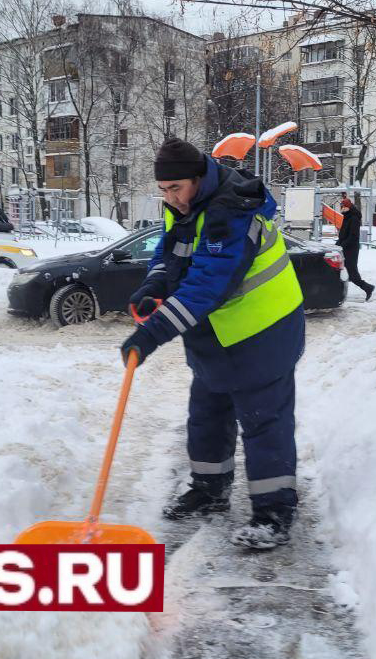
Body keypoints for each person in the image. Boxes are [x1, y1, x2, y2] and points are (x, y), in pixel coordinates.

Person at [120, 137, 305, 550]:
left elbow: (207, 287)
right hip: (218, 334)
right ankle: (209, 489)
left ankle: (274, 511)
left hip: (264, 331)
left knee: (263, 422)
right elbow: (169, 254)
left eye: (176, 189)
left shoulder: (230, 211)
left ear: (199, 178)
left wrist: (150, 334)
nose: (171, 199)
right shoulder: (185, 205)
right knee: (206, 413)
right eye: (164, 191)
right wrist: (152, 285)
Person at [336, 197, 375, 301]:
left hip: (351, 250)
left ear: (348, 207)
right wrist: (337, 244)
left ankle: (368, 288)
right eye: (341, 207)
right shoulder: (347, 217)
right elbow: (344, 235)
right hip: (345, 248)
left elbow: (353, 236)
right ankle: (337, 293)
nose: (341, 209)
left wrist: (341, 245)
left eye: (343, 207)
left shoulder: (353, 218)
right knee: (340, 271)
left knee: (352, 274)